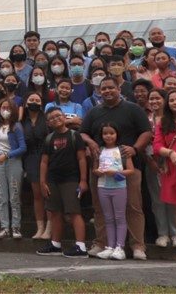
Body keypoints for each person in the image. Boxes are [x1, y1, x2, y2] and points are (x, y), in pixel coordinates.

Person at [79, 77, 151, 260]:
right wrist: (91, 142)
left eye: (111, 87)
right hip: (100, 169)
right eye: (104, 88)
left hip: (128, 167)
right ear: (99, 90)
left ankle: (137, 246)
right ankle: (102, 243)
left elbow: (147, 132)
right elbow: (83, 132)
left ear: (119, 88)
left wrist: (134, 148)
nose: (108, 91)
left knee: (133, 207)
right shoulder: (95, 112)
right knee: (101, 208)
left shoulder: (133, 109)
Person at [36, 108, 88, 257]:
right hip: (52, 180)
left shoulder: (74, 136)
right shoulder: (48, 139)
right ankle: (55, 244)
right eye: (51, 118)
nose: (55, 119)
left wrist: (83, 180)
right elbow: (44, 162)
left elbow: (81, 159)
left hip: (70, 179)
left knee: (74, 212)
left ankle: (81, 246)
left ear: (65, 117)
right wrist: (42, 181)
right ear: (48, 123)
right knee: (55, 212)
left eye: (58, 116)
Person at [153, 89, 176, 263]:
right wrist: (170, 153)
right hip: (175, 172)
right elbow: (157, 146)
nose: (175, 102)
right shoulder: (163, 123)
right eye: (171, 100)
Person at [93, 123, 135, 260]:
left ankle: (120, 247)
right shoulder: (99, 150)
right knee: (108, 218)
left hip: (118, 187)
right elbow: (95, 169)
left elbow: (131, 170)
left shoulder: (122, 150)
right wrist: (98, 172)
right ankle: (110, 247)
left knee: (119, 217)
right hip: (103, 186)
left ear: (117, 134)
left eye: (111, 133)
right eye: (105, 133)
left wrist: (116, 171)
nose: (108, 136)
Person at [0, 98, 27, 239]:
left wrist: (7, 155)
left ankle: (16, 227)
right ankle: (4, 227)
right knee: (1, 195)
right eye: (3, 107)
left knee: (14, 195)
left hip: (13, 161)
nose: (5, 110)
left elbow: (22, 147)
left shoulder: (16, 126)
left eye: (8, 107)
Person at [21, 92, 51, 239]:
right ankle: (40, 228)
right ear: (26, 103)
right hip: (31, 159)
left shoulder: (46, 120)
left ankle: (50, 227)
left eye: (37, 100)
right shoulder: (22, 121)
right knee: (37, 195)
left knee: (48, 194)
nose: (34, 102)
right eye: (31, 99)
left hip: (47, 157)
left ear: (41, 104)